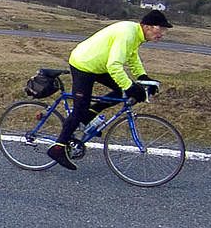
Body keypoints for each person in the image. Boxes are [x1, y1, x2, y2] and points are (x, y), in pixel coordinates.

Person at [47, 9, 170, 169]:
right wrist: (131, 87)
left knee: (119, 91)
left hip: (98, 65)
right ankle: (58, 148)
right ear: (147, 26)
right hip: (83, 64)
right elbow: (114, 66)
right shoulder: (128, 34)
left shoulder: (135, 34)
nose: (163, 33)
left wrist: (142, 77)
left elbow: (132, 56)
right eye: (160, 28)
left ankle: (87, 117)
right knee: (80, 108)